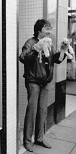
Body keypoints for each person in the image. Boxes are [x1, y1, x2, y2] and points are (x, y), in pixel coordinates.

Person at [19, 19, 69, 152]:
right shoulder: (30, 42)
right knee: (32, 111)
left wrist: (62, 52)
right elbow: (23, 58)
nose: (49, 31)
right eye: (47, 29)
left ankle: (40, 138)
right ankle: (27, 141)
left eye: (50, 29)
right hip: (33, 82)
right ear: (39, 30)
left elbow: (55, 60)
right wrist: (36, 49)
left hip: (45, 83)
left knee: (42, 111)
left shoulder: (50, 43)